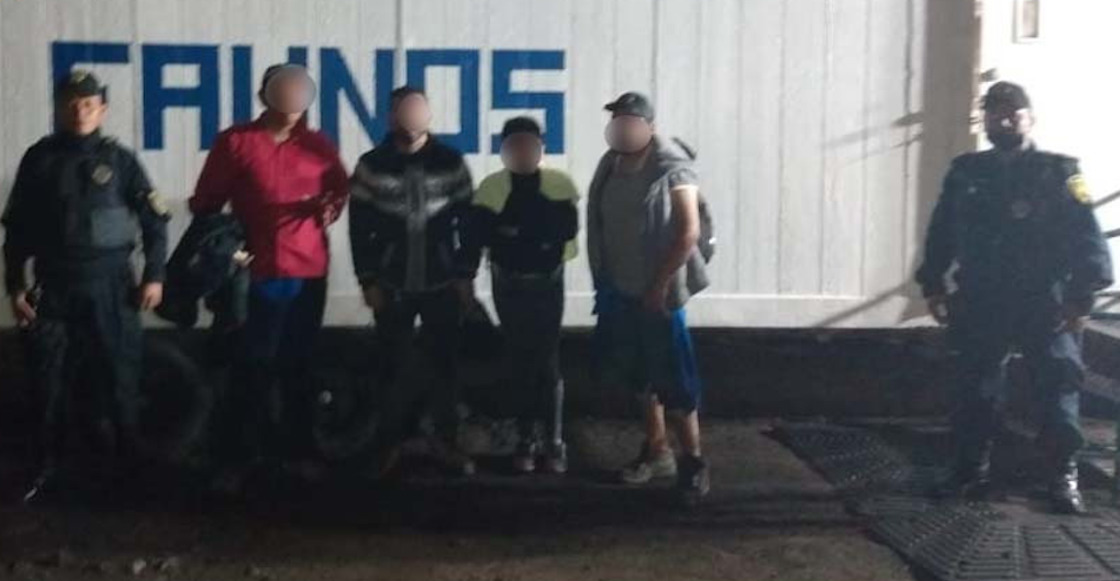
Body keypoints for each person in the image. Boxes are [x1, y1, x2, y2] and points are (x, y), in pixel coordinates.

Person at [915, 81, 1113, 514]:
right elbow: (942, 230)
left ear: (1030, 119)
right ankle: (969, 468)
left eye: (1013, 113)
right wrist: (932, 282)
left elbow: (1087, 235)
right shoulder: (966, 172)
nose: (1003, 121)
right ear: (984, 120)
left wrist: (1082, 296)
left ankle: (1061, 474)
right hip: (981, 296)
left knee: (1056, 384)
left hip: (1045, 300)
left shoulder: (1061, 171)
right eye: (994, 113)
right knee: (974, 385)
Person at [2, 70, 169, 502]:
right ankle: (46, 468)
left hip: (111, 288)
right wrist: (15, 287)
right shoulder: (39, 159)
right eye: (72, 104)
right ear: (59, 108)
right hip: (53, 288)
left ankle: (128, 472)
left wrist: (154, 275)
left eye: (89, 105)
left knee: (119, 378)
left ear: (102, 110)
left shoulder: (120, 160)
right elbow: (17, 230)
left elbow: (154, 222)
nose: (80, 112)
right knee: (47, 382)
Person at [189, 63, 349, 490]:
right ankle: (236, 458)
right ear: (265, 96)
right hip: (254, 273)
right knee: (248, 367)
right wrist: (230, 245)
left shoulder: (318, 145)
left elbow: (339, 190)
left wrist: (329, 208)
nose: (293, 98)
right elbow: (205, 203)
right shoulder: (236, 142)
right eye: (284, 89)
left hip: (308, 272)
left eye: (300, 90)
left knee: (298, 366)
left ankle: (297, 454)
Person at [586, 92, 711, 505]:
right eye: (617, 120)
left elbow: (688, 232)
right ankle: (658, 451)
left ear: (650, 127)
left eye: (630, 120)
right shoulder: (610, 164)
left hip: (659, 295)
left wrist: (659, 285)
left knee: (676, 381)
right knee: (640, 377)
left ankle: (693, 462)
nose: (622, 127)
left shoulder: (673, 168)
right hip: (620, 290)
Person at [349, 86, 477, 478]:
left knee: (446, 366)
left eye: (418, 109)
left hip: (442, 283)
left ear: (428, 115)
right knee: (390, 367)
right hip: (392, 284)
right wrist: (368, 280)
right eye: (404, 110)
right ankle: (389, 445)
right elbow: (358, 228)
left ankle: (446, 443)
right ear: (391, 117)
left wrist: (465, 275)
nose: (412, 116)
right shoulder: (372, 164)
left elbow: (469, 224)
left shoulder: (450, 161)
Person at [466, 117, 579, 474]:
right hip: (508, 283)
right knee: (518, 359)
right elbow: (481, 234)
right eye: (514, 145)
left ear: (541, 148)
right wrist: (528, 232)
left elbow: (564, 229)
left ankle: (555, 440)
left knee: (548, 359)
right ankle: (525, 438)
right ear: (504, 150)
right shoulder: (491, 187)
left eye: (529, 144)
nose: (522, 151)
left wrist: (511, 230)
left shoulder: (560, 184)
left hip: (547, 282)